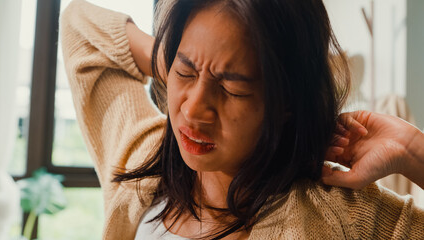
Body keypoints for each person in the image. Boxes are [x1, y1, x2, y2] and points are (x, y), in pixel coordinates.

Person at [60, 0, 424, 239]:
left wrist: (412, 150)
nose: (193, 110)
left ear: (286, 102)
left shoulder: (336, 217)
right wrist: (176, 63)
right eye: (184, 72)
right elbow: (79, 25)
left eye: (231, 89)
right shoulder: (141, 162)